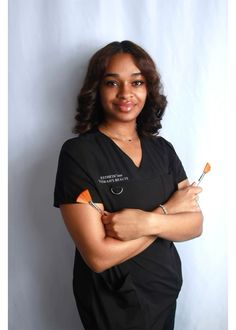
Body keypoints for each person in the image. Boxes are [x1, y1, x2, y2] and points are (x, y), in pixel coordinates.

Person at [54, 40, 203, 330]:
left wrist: (144, 222)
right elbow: (98, 256)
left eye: (137, 82)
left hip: (164, 292)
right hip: (111, 302)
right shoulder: (79, 153)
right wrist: (167, 213)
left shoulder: (163, 150)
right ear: (97, 89)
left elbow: (195, 224)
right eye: (112, 83)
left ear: (148, 89)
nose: (126, 93)